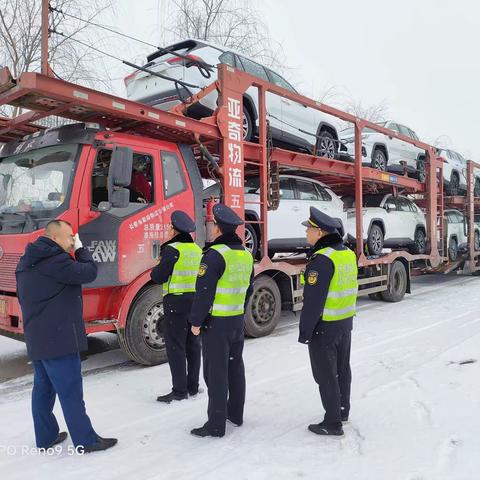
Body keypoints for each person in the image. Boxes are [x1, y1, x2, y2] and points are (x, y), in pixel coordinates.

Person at [15, 220, 118, 453]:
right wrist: (81, 250)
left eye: (74, 237)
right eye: (70, 236)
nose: (72, 240)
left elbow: (23, 298)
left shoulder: (26, 261)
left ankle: (46, 436)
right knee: (70, 391)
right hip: (60, 339)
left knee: (43, 389)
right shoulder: (57, 261)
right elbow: (89, 272)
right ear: (54, 238)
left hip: (38, 337)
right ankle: (86, 440)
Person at [189, 204, 254, 438]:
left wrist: (196, 322)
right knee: (235, 368)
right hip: (236, 321)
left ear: (217, 229)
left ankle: (216, 424)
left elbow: (203, 293)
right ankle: (235, 414)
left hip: (216, 325)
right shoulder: (246, 255)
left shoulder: (215, 255)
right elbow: (249, 289)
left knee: (216, 373)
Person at [299, 206, 358, 436]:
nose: (307, 233)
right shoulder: (347, 254)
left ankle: (332, 422)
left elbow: (313, 301)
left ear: (320, 232)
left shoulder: (322, 259)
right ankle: (342, 411)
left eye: (309, 229)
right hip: (344, 322)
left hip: (325, 327)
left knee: (326, 374)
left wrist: (305, 331)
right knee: (342, 370)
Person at [151, 210, 202, 403]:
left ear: (174, 230)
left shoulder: (172, 250)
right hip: (195, 301)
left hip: (176, 303)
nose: (168, 230)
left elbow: (158, 277)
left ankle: (179, 391)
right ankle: (193, 387)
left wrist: (156, 267)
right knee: (193, 345)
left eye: (169, 227)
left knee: (176, 346)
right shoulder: (197, 249)